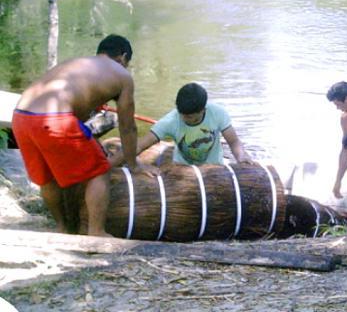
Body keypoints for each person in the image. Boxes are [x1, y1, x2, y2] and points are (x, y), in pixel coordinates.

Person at [12, 34, 158, 236]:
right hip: (54, 118)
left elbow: (77, 112)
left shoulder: (79, 63)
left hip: (21, 116)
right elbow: (127, 127)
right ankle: (96, 233)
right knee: (99, 171)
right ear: (123, 57)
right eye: (127, 64)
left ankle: (63, 229)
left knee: (47, 178)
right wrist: (133, 164)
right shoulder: (122, 76)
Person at [136, 82, 254, 165]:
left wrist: (241, 155)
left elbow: (233, 141)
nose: (183, 118)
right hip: (182, 170)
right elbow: (140, 145)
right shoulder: (171, 120)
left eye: (189, 116)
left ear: (203, 110)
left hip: (214, 169)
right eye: (181, 114)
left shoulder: (218, 113)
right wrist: (135, 164)